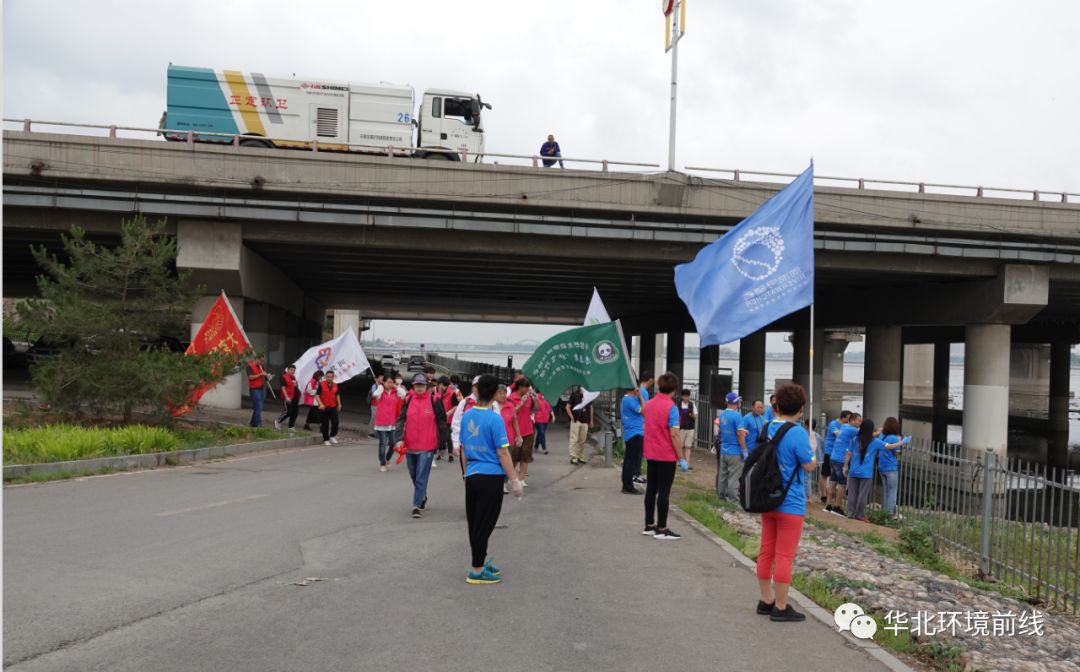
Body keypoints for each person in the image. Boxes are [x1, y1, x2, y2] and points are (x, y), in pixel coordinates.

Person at [756, 383, 816, 622]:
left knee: (766, 551)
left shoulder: (767, 426)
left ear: (776, 405)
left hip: (767, 500)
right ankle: (781, 606)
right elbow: (809, 465)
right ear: (801, 409)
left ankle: (765, 600)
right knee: (784, 556)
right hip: (790, 503)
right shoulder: (798, 432)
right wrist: (812, 449)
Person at [460, 374, 524, 585]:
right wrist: (514, 480)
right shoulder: (495, 419)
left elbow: (463, 450)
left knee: (475, 522)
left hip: (472, 474)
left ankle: (479, 561)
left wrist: (465, 473)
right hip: (491, 478)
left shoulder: (467, 415)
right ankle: (477, 570)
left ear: (477, 390)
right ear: (496, 392)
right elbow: (503, 453)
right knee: (485, 524)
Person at [395, 373, 448, 518]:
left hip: (427, 445)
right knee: (413, 474)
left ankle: (416, 506)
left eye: (422, 385)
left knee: (421, 475)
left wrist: (442, 444)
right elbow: (401, 420)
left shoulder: (434, 400)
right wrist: (399, 438)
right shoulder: (408, 399)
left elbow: (442, 422)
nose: (419, 388)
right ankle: (422, 495)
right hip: (410, 444)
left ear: (427, 386)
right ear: (413, 386)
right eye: (416, 385)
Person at [642, 372, 683, 540]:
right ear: (674, 388)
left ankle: (649, 525)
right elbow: (674, 434)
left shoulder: (649, 404)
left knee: (651, 489)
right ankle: (662, 528)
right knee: (664, 491)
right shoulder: (671, 407)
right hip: (666, 455)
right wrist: (681, 457)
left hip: (651, 452)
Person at [844, 417, 880, 522]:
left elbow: (848, 453)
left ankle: (850, 513)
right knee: (862, 495)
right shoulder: (874, 441)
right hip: (866, 473)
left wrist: (845, 466)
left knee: (852, 493)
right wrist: (902, 442)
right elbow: (889, 446)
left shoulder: (854, 439)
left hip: (853, 471)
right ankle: (859, 515)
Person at [507, 378, 539, 486]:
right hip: (516, 431)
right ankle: (508, 479)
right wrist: (521, 403)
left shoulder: (529, 397)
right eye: (526, 387)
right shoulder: (511, 398)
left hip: (528, 430)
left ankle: (521, 479)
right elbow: (511, 413)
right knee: (514, 456)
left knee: (526, 455)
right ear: (520, 387)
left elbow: (537, 408)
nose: (527, 389)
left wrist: (536, 399)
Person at [828, 413, 861, 516]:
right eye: (859, 420)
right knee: (842, 485)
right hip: (840, 460)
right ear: (852, 420)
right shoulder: (852, 429)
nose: (860, 423)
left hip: (833, 458)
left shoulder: (843, 426)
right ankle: (837, 507)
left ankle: (828, 505)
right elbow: (866, 434)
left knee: (832, 482)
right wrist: (878, 431)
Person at [714, 392, 744, 501]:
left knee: (723, 475)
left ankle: (721, 497)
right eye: (739, 401)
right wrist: (744, 450)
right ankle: (733, 499)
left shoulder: (722, 415)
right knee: (734, 477)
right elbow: (740, 435)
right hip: (735, 451)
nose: (740, 402)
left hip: (723, 449)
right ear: (735, 402)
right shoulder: (737, 415)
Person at [372, 376, 406, 472]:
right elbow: (375, 395)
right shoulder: (380, 391)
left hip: (392, 422)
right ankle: (382, 464)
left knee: (393, 444)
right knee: (382, 443)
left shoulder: (396, 392)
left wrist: (396, 386)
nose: (390, 384)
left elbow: (404, 394)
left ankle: (387, 459)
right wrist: (381, 387)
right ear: (384, 382)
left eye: (392, 382)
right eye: (388, 382)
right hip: (381, 422)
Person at [877, 417, 909, 517]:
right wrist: (902, 443)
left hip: (881, 467)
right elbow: (897, 454)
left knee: (886, 490)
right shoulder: (895, 438)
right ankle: (890, 513)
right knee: (892, 491)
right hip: (891, 468)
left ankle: (885, 511)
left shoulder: (882, 435)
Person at [822, 411, 852, 506]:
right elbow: (838, 435)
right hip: (830, 452)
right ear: (843, 417)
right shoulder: (833, 424)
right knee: (826, 474)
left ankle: (829, 503)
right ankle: (824, 496)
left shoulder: (844, 426)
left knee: (833, 480)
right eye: (848, 418)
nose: (849, 421)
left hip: (837, 454)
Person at [620, 386, 645, 494]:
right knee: (631, 462)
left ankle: (627, 485)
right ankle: (628, 486)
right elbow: (643, 410)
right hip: (634, 434)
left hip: (632, 433)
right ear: (633, 389)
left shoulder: (627, 399)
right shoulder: (629, 400)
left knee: (628, 461)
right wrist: (641, 397)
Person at [565, 386, 593, 465]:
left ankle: (580, 456)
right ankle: (573, 457)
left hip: (585, 421)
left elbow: (590, 407)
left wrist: (591, 420)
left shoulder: (588, 395)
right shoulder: (574, 395)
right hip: (576, 420)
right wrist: (571, 417)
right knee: (574, 439)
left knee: (582, 440)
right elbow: (567, 407)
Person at [317, 370, 341, 446]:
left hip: (333, 406)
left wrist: (339, 404)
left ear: (333, 377)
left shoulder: (335, 385)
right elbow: (317, 395)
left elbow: (337, 395)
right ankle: (326, 439)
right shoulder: (321, 384)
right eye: (328, 377)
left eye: (331, 377)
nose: (329, 378)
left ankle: (332, 436)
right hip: (324, 407)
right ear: (325, 377)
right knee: (325, 424)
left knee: (335, 422)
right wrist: (320, 404)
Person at [274, 364, 299, 430]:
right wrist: (286, 397)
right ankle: (278, 421)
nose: (292, 371)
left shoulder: (294, 377)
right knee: (288, 411)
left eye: (294, 370)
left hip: (294, 397)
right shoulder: (283, 377)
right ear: (287, 370)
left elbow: (294, 387)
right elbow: (283, 387)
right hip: (287, 397)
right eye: (291, 370)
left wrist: (296, 386)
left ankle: (291, 426)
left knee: (295, 412)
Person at [803, 419, 824, 500]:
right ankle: (808, 495)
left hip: (807, 458)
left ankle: (807, 495)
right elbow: (821, 448)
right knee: (808, 477)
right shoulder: (818, 436)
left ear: (806, 425)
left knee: (806, 477)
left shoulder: (805, 435)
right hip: (815, 459)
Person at [247, 354, 270, 427]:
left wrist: (267, 376)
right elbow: (250, 377)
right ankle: (258, 424)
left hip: (261, 388)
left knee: (259, 407)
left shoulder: (262, 366)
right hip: (254, 389)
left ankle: (253, 423)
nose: (262, 362)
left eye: (263, 361)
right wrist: (260, 374)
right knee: (258, 407)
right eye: (261, 360)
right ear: (256, 359)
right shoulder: (249, 366)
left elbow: (264, 377)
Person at [678, 389, 697, 469]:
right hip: (681, 428)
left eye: (688, 396)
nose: (687, 398)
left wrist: (691, 415)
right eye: (685, 396)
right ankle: (681, 461)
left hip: (690, 428)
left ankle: (687, 462)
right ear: (682, 396)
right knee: (681, 445)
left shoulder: (692, 405)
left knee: (688, 446)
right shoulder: (678, 405)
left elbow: (695, 416)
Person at [533, 390, 553, 455]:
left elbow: (549, 407)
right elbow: (534, 407)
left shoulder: (546, 397)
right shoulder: (536, 396)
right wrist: (532, 415)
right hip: (538, 418)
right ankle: (544, 448)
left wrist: (552, 415)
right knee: (541, 432)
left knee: (541, 433)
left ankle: (536, 446)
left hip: (546, 418)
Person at [368, 373, 384, 438]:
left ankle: (377, 432)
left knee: (380, 418)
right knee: (374, 417)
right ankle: (371, 432)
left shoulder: (384, 386)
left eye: (383, 378)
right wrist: (378, 387)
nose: (382, 379)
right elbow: (374, 394)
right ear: (376, 379)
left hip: (382, 405)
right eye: (380, 378)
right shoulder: (374, 386)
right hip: (375, 404)